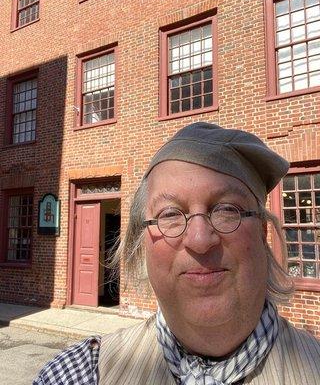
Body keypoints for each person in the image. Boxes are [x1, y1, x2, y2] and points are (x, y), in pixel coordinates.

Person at [34, 122, 320, 384]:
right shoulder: (80, 374)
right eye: (170, 214)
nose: (199, 240)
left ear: (262, 232)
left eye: (226, 210)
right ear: (143, 241)